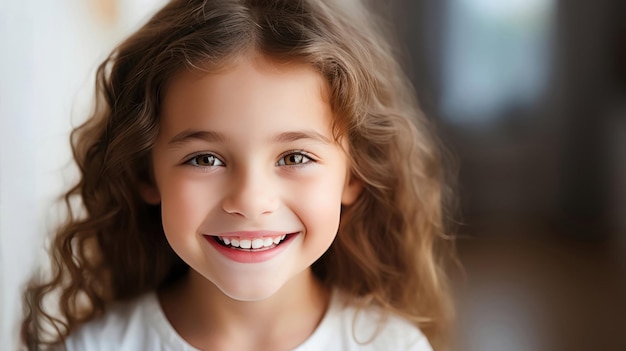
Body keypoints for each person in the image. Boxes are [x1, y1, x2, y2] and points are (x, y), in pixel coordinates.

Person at [21, 0, 457, 350]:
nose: (250, 200)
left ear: (353, 176)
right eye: (205, 159)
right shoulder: (98, 345)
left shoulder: (393, 345)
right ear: (145, 173)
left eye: (295, 157)